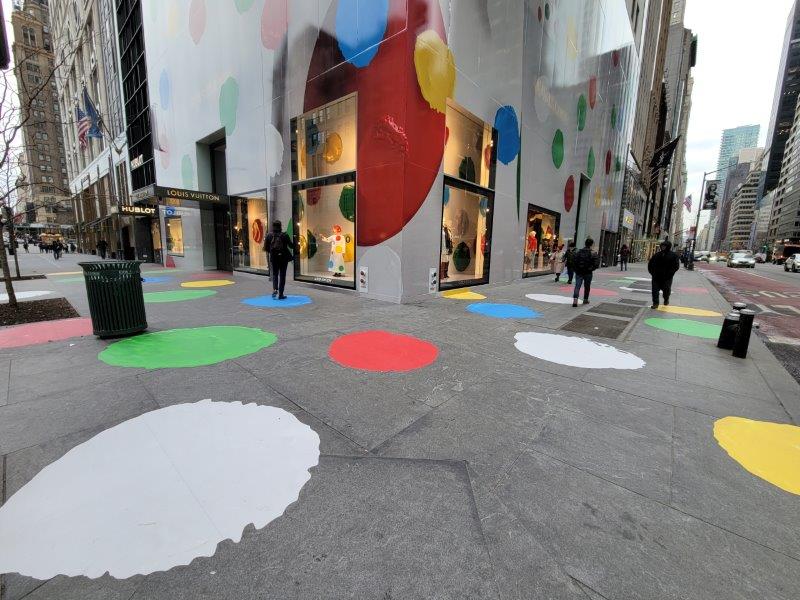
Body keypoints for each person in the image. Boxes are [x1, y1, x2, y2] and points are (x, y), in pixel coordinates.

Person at [263, 220, 293, 300]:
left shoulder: (269, 235)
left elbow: (266, 248)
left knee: (275, 274)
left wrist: (273, 253)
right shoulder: (285, 235)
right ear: (280, 226)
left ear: (273, 226)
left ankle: (275, 289)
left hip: (274, 258)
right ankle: (281, 294)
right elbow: (291, 246)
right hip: (283, 258)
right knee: (282, 276)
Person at [648, 240, 680, 309]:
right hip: (656, 277)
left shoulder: (673, 255)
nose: (663, 247)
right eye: (662, 246)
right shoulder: (657, 255)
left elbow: (676, 266)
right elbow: (650, 264)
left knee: (666, 290)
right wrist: (652, 273)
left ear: (668, 247)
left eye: (664, 246)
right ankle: (655, 303)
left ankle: (666, 299)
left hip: (667, 277)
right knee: (655, 291)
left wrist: (670, 274)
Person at [572, 238, 599, 307]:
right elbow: (596, 264)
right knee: (587, 286)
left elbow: (574, 262)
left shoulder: (578, 252)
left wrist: (576, 270)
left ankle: (575, 300)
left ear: (585, 243)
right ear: (591, 244)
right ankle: (585, 299)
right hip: (588, 273)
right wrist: (591, 269)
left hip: (579, 272)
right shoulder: (593, 253)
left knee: (577, 286)